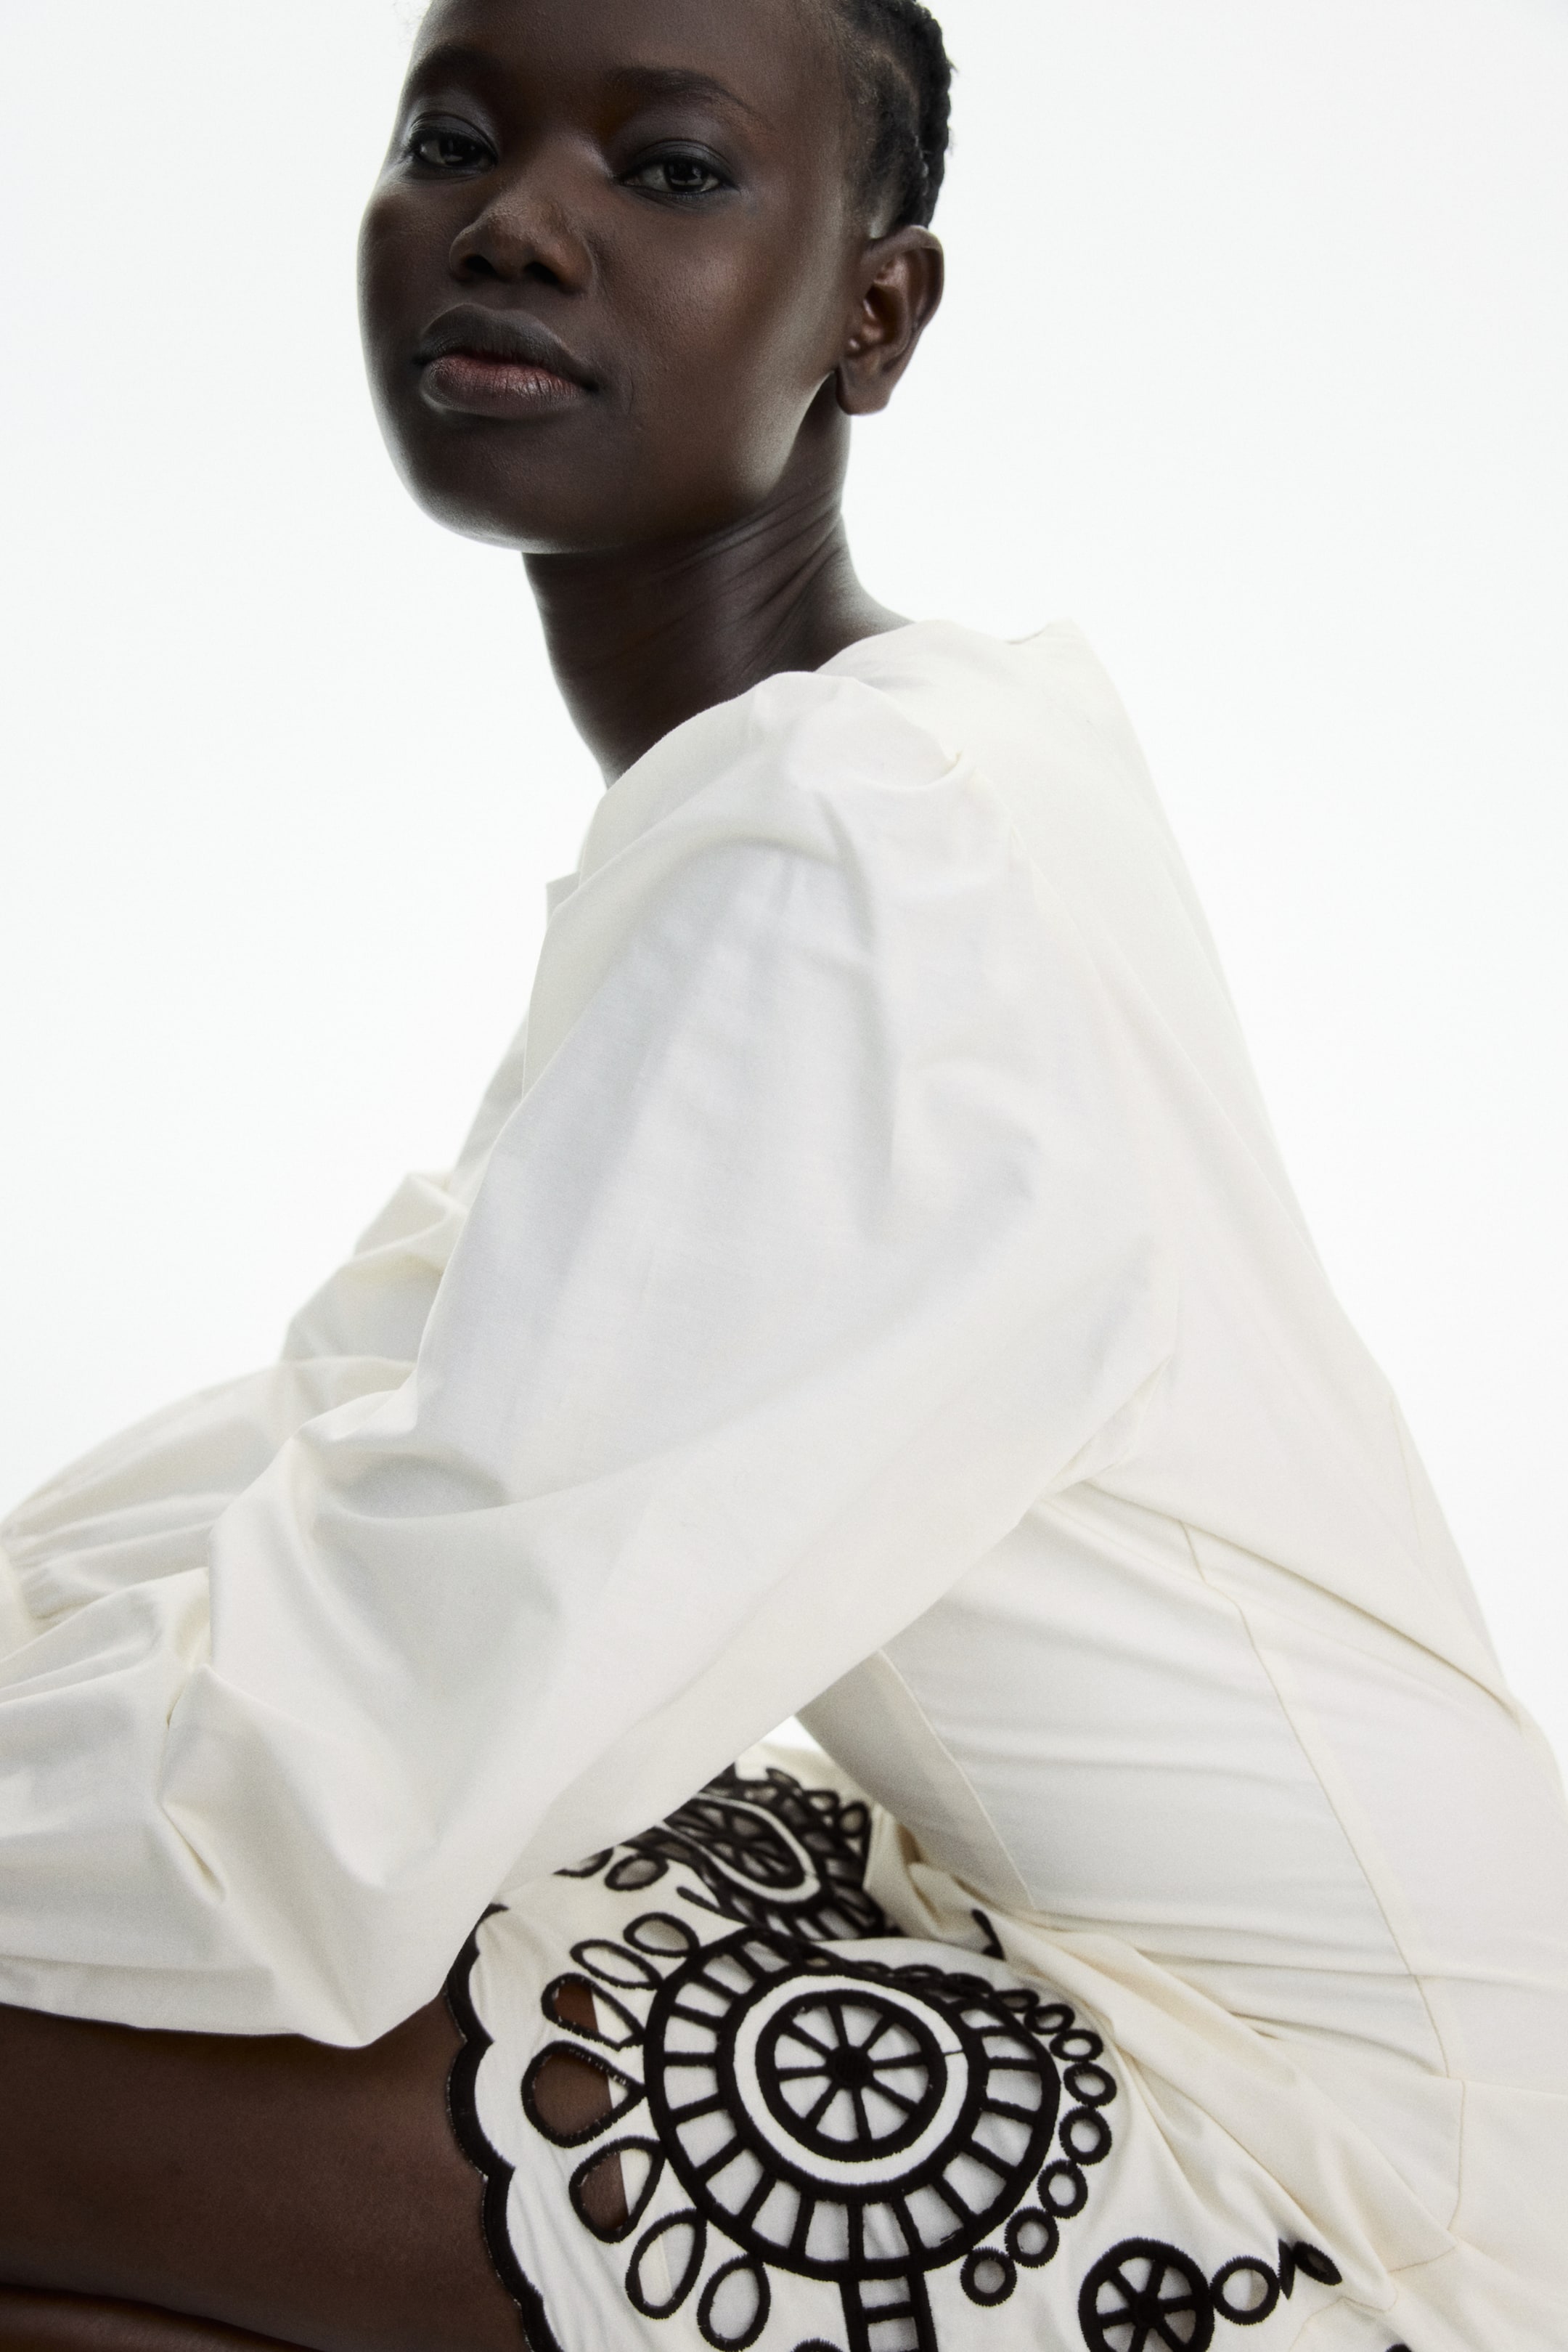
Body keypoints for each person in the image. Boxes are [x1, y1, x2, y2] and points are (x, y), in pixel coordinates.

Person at [0, 0, 1564, 2348]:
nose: (517, 224)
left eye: (672, 169)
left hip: (1356, 2182)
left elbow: (367, 1767)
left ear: (875, 314)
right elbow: (373, 1427)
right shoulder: (878, 752)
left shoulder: (854, 846)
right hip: (1205, 1990)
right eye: (453, 135)